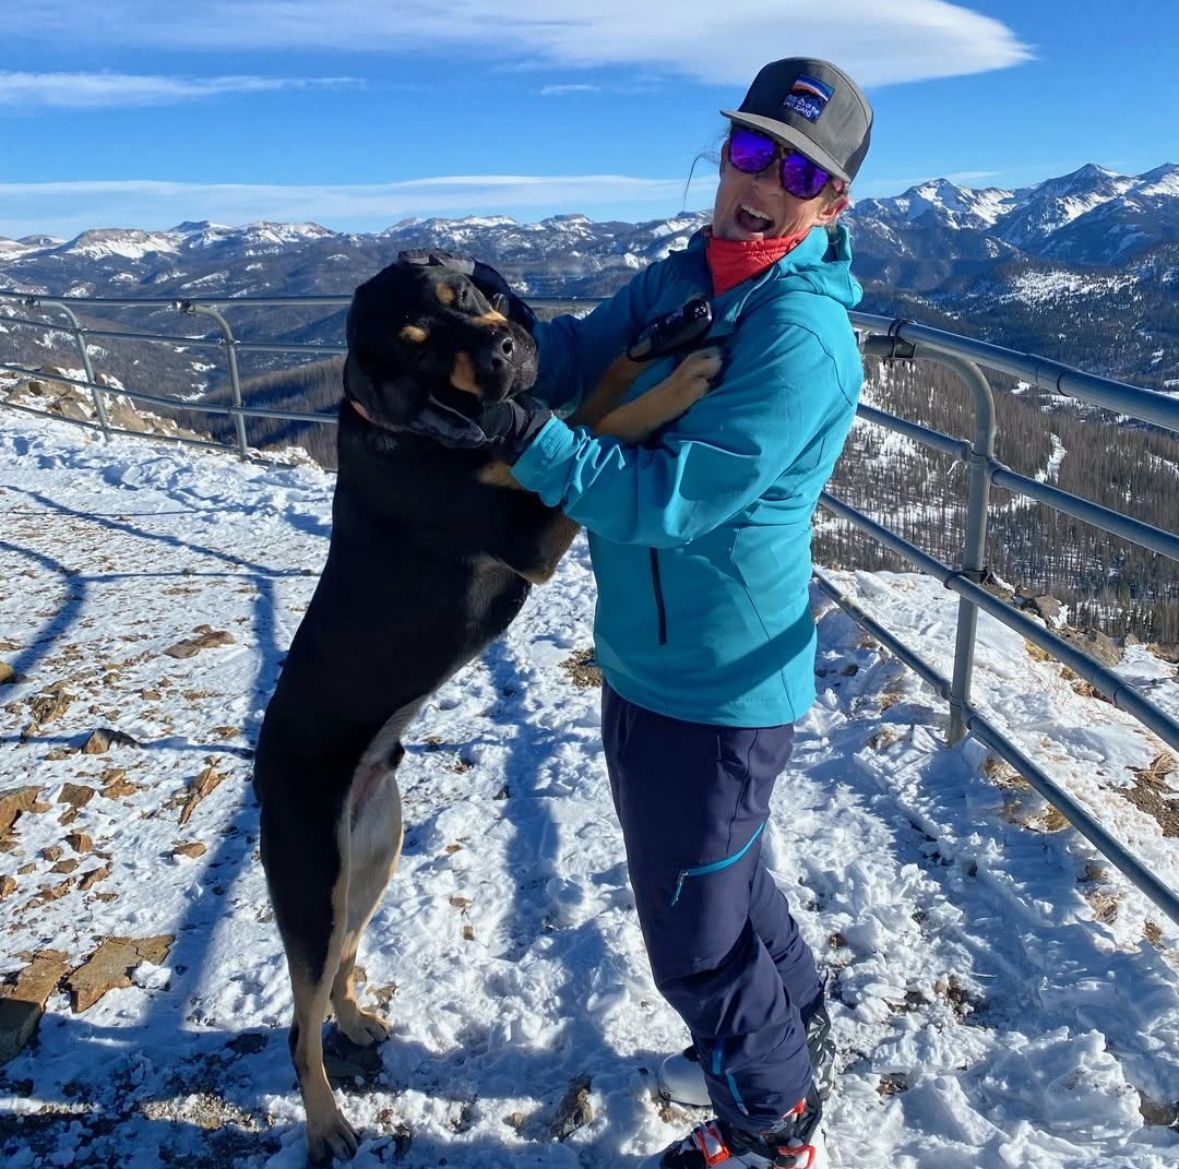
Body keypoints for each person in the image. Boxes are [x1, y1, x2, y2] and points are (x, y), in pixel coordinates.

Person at [397, 56, 872, 1169]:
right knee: (731, 883)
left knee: (695, 943)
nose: (760, 180)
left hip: (715, 684)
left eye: (795, 169)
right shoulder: (685, 279)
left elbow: (667, 501)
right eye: (749, 148)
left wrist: (525, 439)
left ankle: (769, 1128)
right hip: (654, 661)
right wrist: (498, 338)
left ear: (831, 202)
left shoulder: (798, 338)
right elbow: (571, 357)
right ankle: (796, 1045)